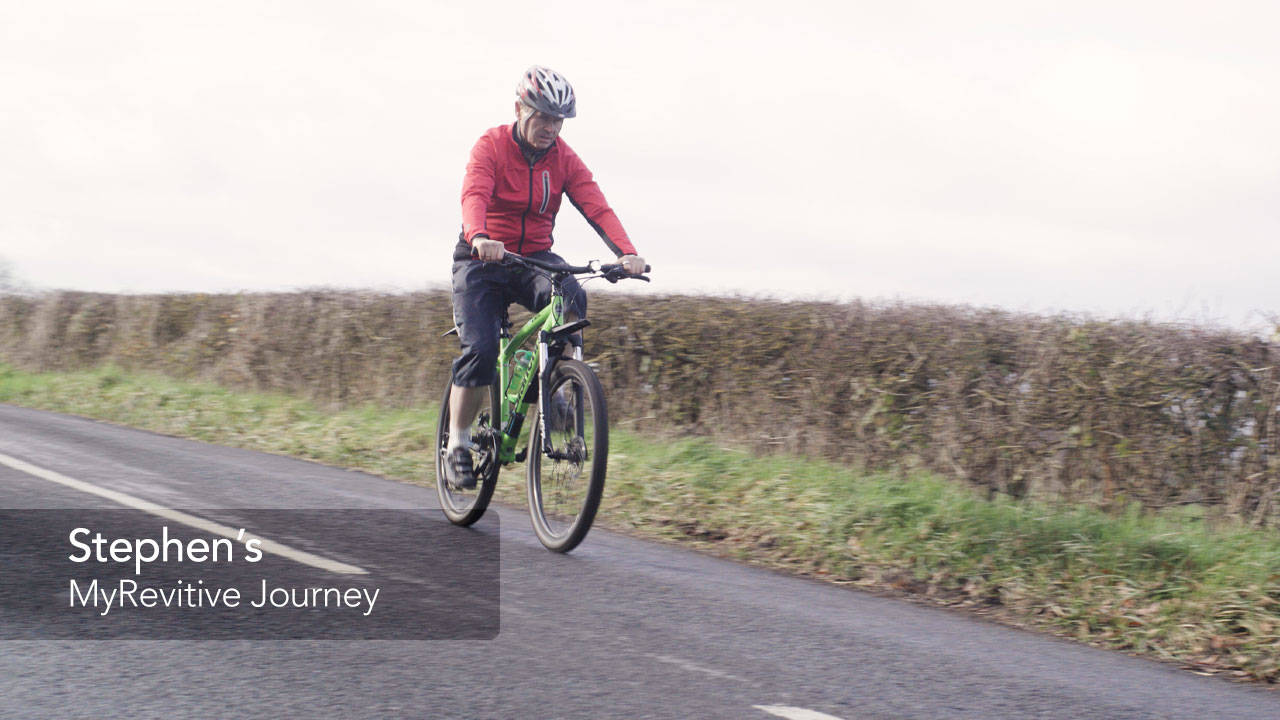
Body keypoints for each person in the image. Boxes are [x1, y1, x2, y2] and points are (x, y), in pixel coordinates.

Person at [445, 65, 646, 489]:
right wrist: (480, 236)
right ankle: (458, 445)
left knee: (572, 296)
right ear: (520, 109)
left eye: (559, 121)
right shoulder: (491, 146)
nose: (551, 128)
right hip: (481, 259)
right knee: (480, 350)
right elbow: (474, 195)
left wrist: (626, 252)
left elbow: (596, 205)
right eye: (543, 117)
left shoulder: (563, 159)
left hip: (531, 257)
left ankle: (559, 384)